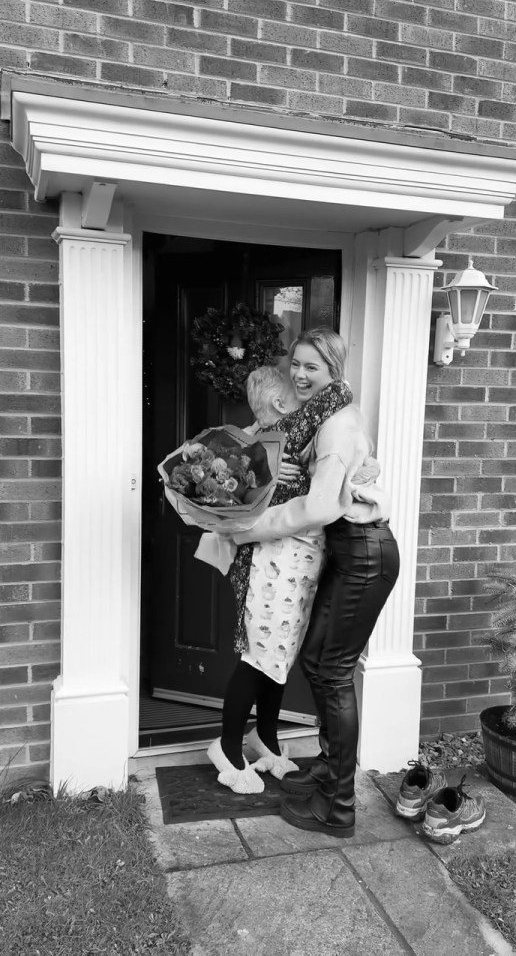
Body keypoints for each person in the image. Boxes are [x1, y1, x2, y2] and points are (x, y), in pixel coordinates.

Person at [231, 327, 400, 837]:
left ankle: (339, 805)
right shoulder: (323, 416)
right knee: (315, 661)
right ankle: (328, 773)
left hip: (364, 556)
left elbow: (323, 505)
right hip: (349, 553)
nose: (301, 375)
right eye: (296, 365)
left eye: (314, 368)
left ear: (334, 371)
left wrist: (249, 529)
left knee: (332, 672)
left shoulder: (336, 424)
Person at [207, 364, 368, 795]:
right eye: (294, 385)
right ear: (280, 406)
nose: (302, 388)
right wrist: (325, 370)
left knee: (279, 655)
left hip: (294, 564)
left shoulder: (266, 437)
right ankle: (227, 749)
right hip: (264, 565)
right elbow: (337, 395)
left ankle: (267, 740)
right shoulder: (280, 434)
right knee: (258, 655)